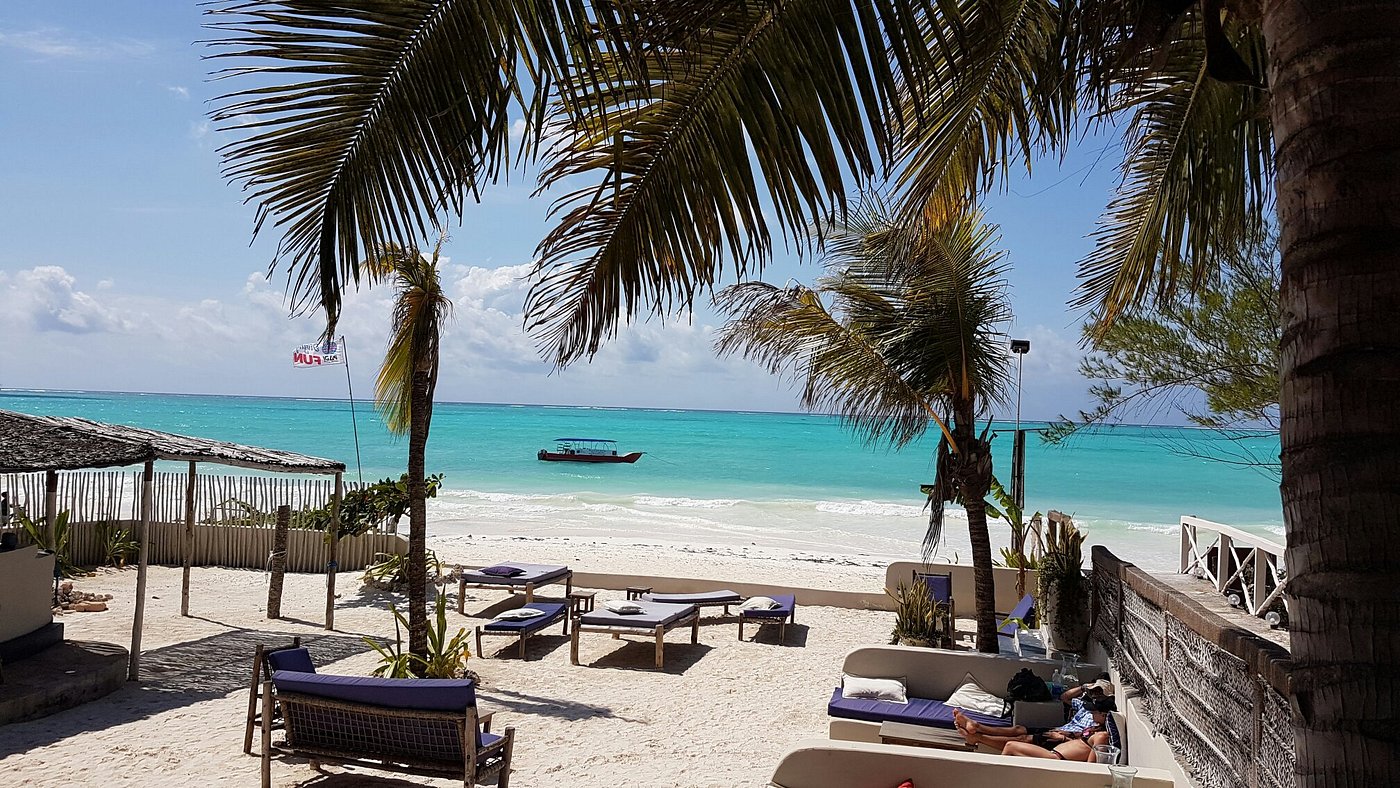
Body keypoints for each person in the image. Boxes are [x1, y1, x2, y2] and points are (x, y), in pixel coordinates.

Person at [953, 674, 1117, 762]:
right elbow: (1065, 697)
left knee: (1015, 743)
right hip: (1058, 739)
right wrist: (1084, 687)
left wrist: (1062, 738)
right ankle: (977, 728)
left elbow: (1090, 766)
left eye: (1095, 711)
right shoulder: (1092, 720)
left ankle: (977, 737)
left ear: (1104, 714)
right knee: (1019, 730)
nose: (1091, 712)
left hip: (1056, 755)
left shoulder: (1101, 734)